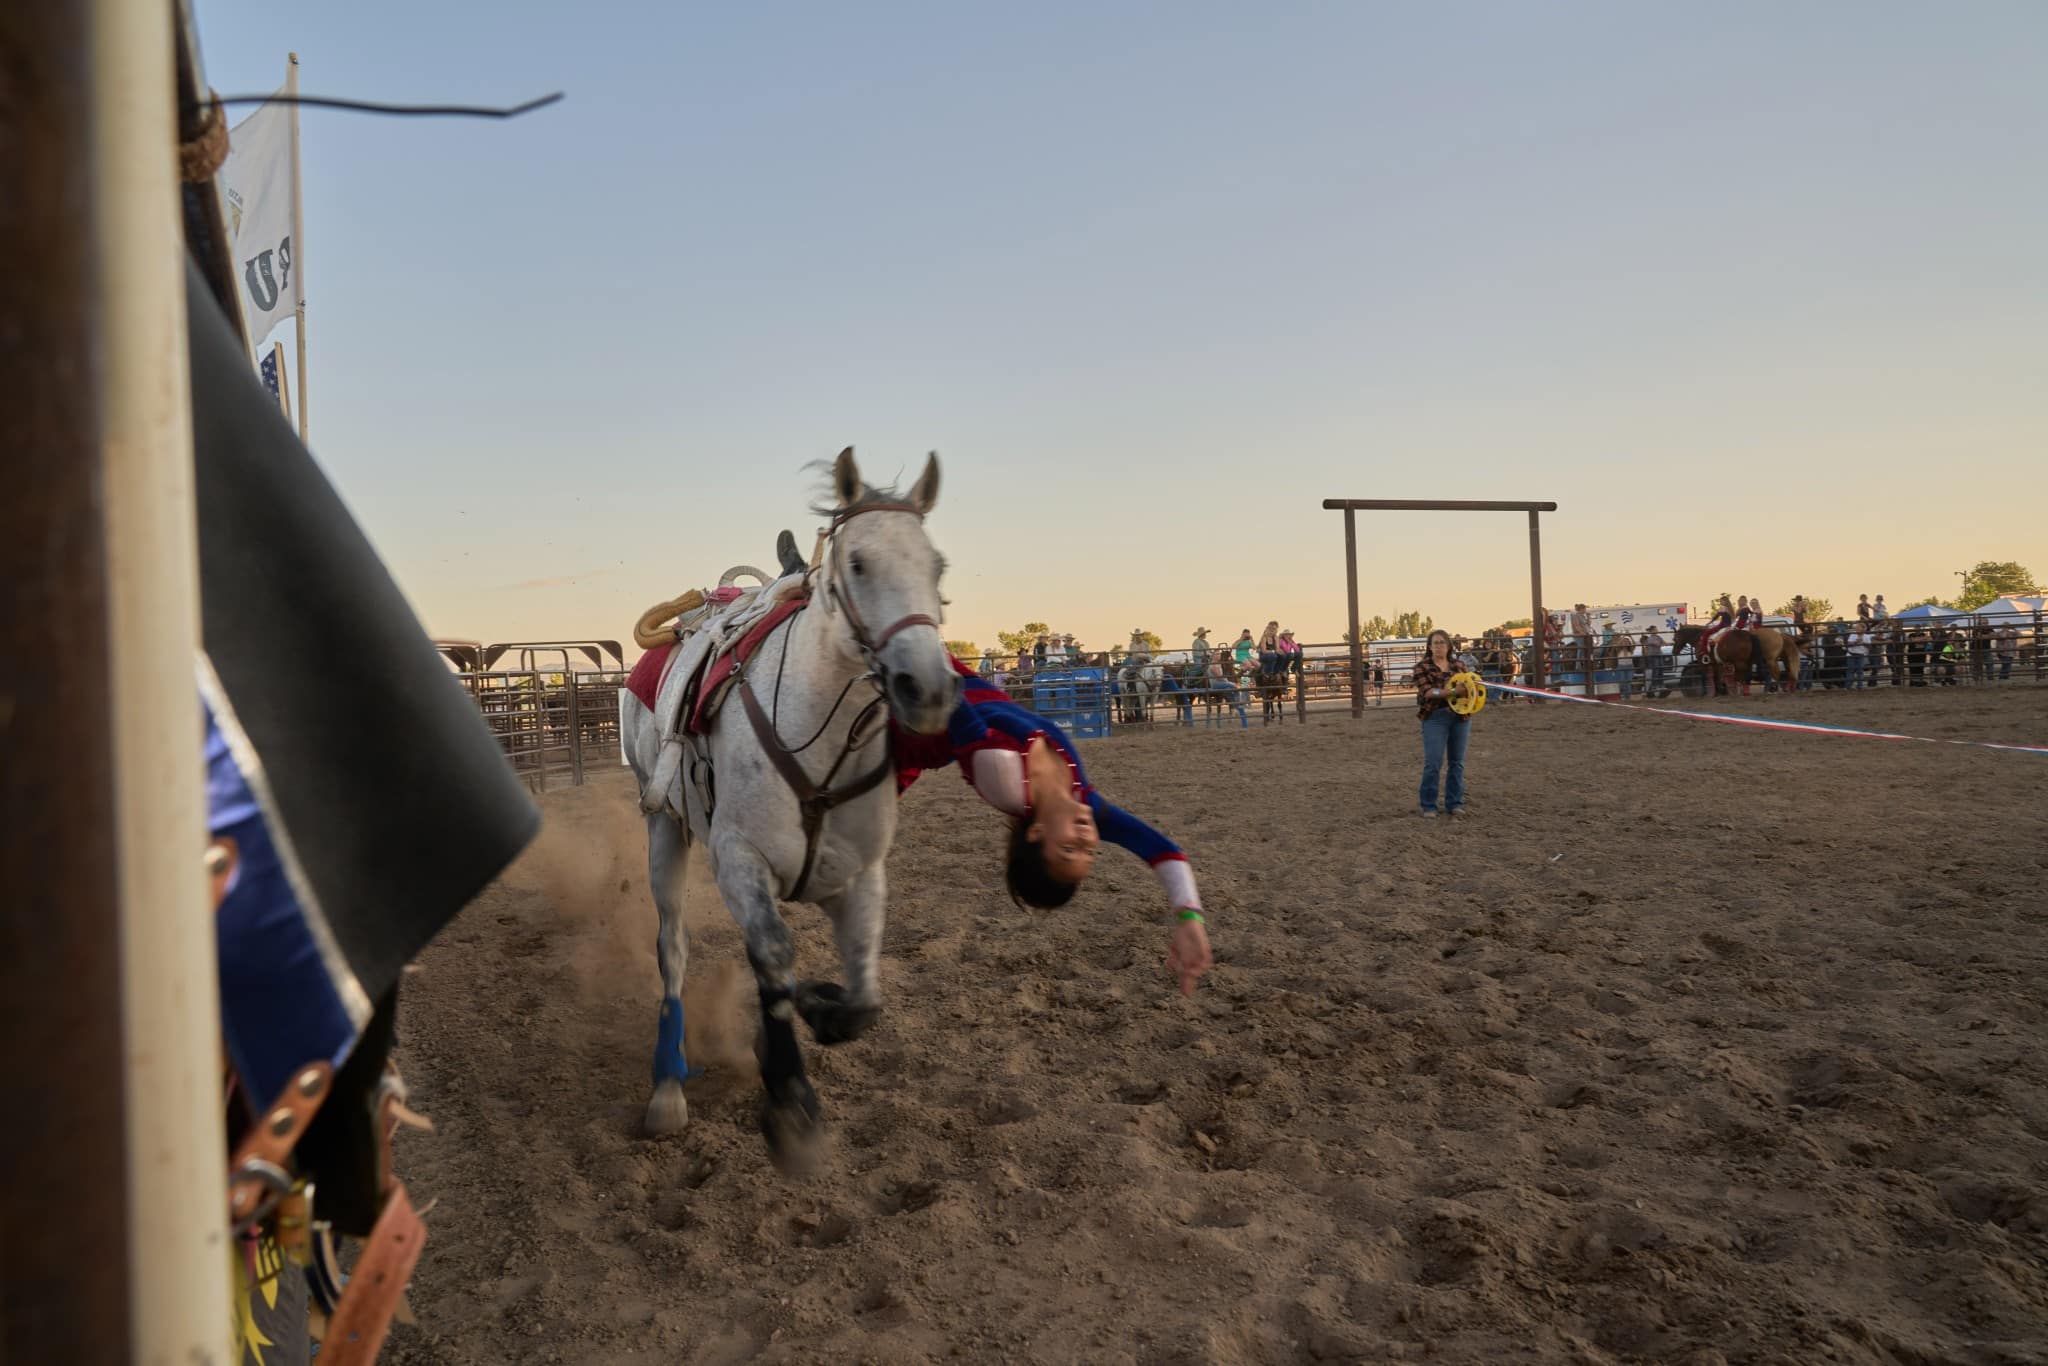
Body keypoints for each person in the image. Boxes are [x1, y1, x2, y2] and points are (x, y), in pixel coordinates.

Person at [892, 656, 1212, 994]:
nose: (1088, 836)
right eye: (1090, 850)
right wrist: (1190, 919)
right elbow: (1162, 851)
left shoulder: (1002, 775)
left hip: (900, 727)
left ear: (1037, 832)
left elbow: (943, 690)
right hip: (969, 685)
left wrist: (930, 644)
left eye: (1069, 847)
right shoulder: (1082, 801)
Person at [1407, 629, 1471, 819]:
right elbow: (1428, 693)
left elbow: (1469, 689)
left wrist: (1468, 691)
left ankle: (1455, 803)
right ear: (1429, 647)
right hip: (1434, 717)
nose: (1439, 646)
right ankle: (1429, 805)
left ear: (1449, 646)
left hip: (1461, 717)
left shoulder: (1460, 666)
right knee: (1433, 763)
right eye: (1435, 643)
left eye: (1442, 643)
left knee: (1457, 763)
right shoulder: (1421, 667)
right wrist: (1453, 693)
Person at [1641, 624, 1667, 697]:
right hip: (1654, 655)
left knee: (1660, 669)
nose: (1657, 630)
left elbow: (1663, 643)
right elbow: (1659, 644)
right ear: (1652, 631)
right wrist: (1659, 644)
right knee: (1656, 670)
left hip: (1658, 654)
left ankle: (1660, 684)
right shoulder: (1650, 639)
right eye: (1655, 629)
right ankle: (1655, 685)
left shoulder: (1657, 637)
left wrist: (1659, 644)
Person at [1612, 628, 1637, 699]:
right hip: (1621, 666)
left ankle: (1627, 696)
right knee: (1622, 681)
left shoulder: (1631, 650)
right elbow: (1617, 645)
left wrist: (1630, 636)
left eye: (1627, 641)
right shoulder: (1619, 650)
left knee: (1628, 681)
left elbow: (1634, 644)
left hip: (1629, 666)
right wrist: (1623, 636)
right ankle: (1624, 695)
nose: (1625, 642)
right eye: (1624, 642)